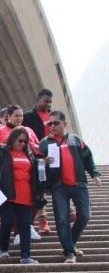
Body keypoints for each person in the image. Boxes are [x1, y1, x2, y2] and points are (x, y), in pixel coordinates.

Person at [38, 111, 101, 263]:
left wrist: (94, 174)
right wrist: (43, 162)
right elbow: (36, 164)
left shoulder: (75, 140)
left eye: (56, 123)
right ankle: (69, 253)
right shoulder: (45, 143)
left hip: (79, 184)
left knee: (85, 215)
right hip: (59, 186)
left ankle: (70, 244)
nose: (52, 126)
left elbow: (88, 157)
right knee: (62, 219)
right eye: (49, 123)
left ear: (65, 124)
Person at [0, 126, 42, 264]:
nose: (22, 144)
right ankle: (4, 249)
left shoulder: (29, 154)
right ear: (13, 138)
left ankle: (26, 256)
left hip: (26, 196)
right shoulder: (2, 151)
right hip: (7, 194)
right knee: (7, 222)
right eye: (20, 141)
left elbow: (35, 174)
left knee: (25, 225)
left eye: (25, 142)